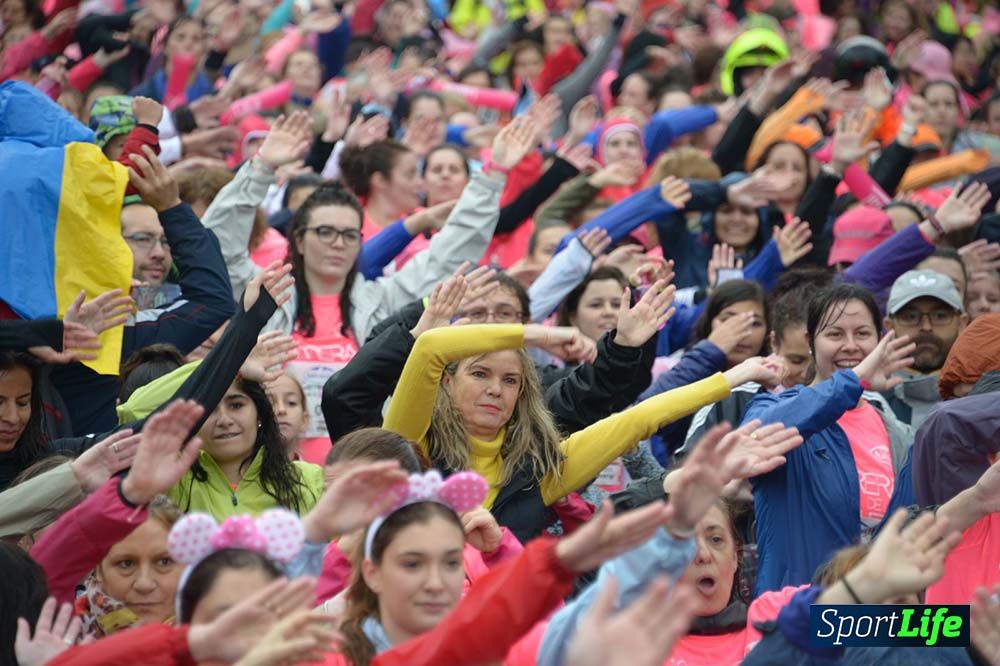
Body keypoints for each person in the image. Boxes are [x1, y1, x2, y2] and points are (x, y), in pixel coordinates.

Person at [383, 298, 779, 541]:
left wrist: (731, 379)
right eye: (480, 374)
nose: (495, 389)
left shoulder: (541, 469)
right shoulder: (411, 442)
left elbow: (636, 421)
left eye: (510, 380)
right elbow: (430, 346)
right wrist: (537, 336)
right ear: (447, 382)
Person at [743, 283, 918, 594]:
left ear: (879, 338)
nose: (850, 346)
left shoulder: (899, 432)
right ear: (810, 341)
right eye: (835, 334)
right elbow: (756, 438)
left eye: (862, 333)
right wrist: (855, 380)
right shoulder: (773, 407)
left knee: (952, 621)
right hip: (798, 611)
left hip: (879, 608)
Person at [881, 269, 968, 426]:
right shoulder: (870, 400)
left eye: (940, 315)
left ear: (962, 324)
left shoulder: (985, 396)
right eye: (911, 317)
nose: (926, 327)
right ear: (889, 327)